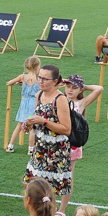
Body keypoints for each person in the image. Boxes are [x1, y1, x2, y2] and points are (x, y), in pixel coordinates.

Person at [57, 74, 103, 216]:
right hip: (56, 143)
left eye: (74, 87)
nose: (70, 90)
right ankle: (50, 207)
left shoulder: (80, 103)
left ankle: (61, 210)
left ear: (80, 90)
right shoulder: (58, 99)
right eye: (68, 86)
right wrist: (61, 83)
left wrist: (84, 87)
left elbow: (99, 88)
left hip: (72, 145)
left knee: (67, 176)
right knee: (51, 175)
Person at [23, 64, 72, 199]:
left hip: (55, 152)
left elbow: (66, 129)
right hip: (40, 149)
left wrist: (44, 122)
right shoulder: (39, 95)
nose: (40, 81)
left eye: (45, 79)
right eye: (40, 77)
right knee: (30, 185)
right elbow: (36, 118)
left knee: (48, 192)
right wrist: (29, 124)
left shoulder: (60, 99)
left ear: (55, 82)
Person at [5, 56, 41, 153]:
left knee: (19, 125)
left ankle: (10, 145)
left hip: (24, 102)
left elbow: (9, 82)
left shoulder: (23, 77)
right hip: (34, 103)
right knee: (32, 126)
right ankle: (30, 149)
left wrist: (19, 83)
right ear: (37, 67)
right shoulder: (38, 79)